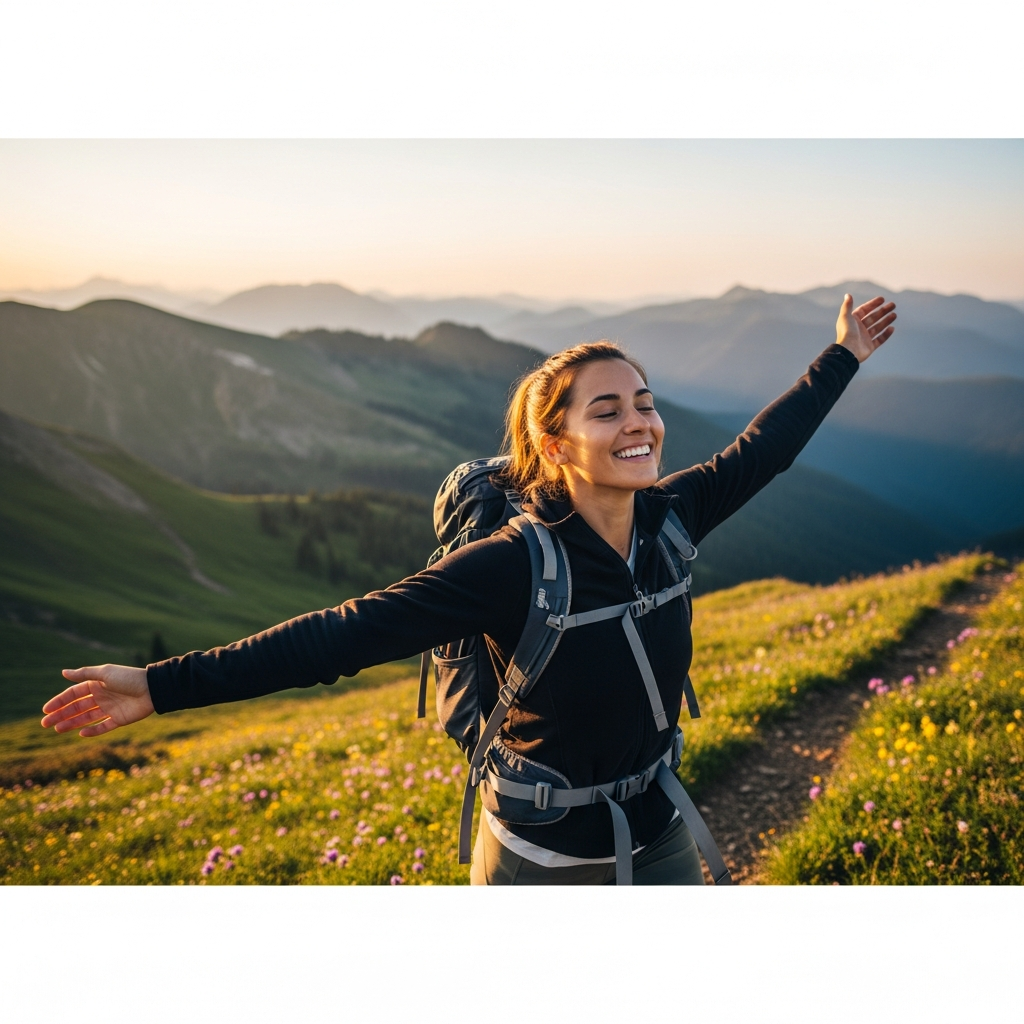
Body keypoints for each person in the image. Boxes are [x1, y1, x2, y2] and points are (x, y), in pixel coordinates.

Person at [41, 294, 897, 885]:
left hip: (659, 830)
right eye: (607, 411)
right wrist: (159, 685)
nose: (639, 422)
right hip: (538, 859)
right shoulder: (509, 565)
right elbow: (341, 635)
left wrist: (845, 352)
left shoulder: (673, 514)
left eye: (644, 401)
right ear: (556, 445)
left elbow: (767, 445)